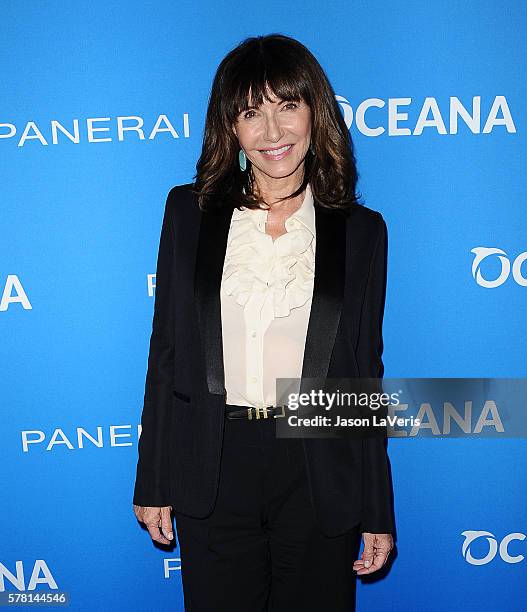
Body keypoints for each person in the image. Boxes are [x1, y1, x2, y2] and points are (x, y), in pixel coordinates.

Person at [133, 33, 395, 611]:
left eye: (287, 106)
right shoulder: (188, 213)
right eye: (252, 112)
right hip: (215, 460)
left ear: (314, 113)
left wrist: (377, 507)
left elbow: (362, 374)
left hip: (316, 463)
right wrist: (152, 481)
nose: (273, 133)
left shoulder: (361, 230)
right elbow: (167, 350)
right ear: (230, 127)